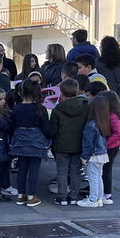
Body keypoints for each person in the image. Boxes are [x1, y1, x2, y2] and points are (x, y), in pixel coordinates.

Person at [9, 80, 52, 207]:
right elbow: (46, 129)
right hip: (36, 143)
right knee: (34, 170)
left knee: (22, 169)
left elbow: (12, 126)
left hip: (20, 142)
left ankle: (21, 195)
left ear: (20, 93)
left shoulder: (16, 108)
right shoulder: (40, 108)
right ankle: (32, 196)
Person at [49, 78, 87, 206]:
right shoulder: (85, 106)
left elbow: (53, 130)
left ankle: (62, 196)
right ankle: (74, 196)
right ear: (77, 91)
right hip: (78, 144)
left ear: (61, 94)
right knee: (75, 172)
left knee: (62, 172)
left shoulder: (57, 109)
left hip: (61, 145)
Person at [97, 91, 120, 204]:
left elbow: (118, 133)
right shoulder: (113, 113)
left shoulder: (113, 115)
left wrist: (105, 144)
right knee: (105, 169)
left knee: (106, 170)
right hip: (111, 146)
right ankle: (105, 193)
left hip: (111, 147)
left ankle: (107, 194)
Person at [78, 96, 110, 208]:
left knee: (93, 177)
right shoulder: (103, 122)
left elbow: (88, 144)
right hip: (102, 153)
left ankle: (92, 199)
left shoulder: (91, 125)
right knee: (98, 176)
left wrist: (84, 157)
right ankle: (99, 198)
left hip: (93, 155)